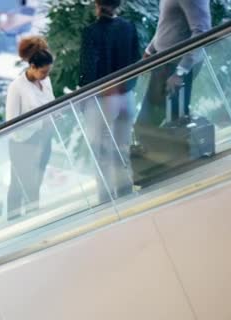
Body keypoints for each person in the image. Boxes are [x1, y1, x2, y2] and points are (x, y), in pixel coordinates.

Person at [78, 0, 140, 202]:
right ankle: (125, 193)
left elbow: (88, 71)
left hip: (103, 100)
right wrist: (124, 86)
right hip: (126, 97)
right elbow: (136, 61)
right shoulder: (129, 27)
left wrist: (85, 99)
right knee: (122, 148)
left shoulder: (91, 32)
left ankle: (106, 200)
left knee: (102, 153)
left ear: (97, 5)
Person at [135, 0, 211, 143]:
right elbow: (167, 23)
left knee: (148, 125)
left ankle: (178, 160)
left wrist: (180, 72)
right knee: (149, 125)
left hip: (176, 67)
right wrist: (149, 51)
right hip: (164, 63)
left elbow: (202, 32)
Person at [5, 36, 55, 221]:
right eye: (43, 72)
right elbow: (12, 124)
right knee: (20, 184)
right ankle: (16, 222)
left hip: (44, 139)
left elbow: (51, 103)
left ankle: (32, 220)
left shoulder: (46, 81)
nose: (46, 76)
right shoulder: (16, 87)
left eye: (48, 72)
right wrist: (40, 123)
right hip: (23, 144)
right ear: (32, 67)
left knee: (36, 183)